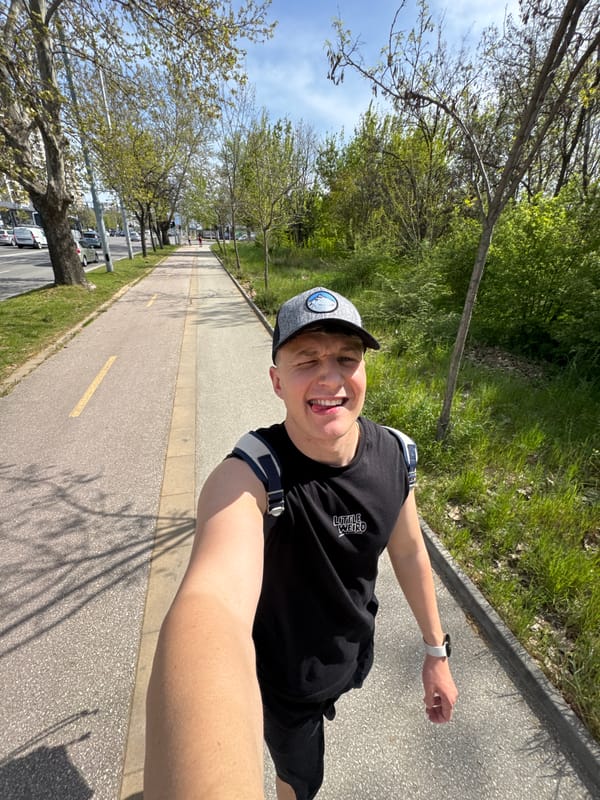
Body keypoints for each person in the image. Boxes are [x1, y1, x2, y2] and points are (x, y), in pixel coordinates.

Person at [144, 287, 458, 800]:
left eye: (345, 359)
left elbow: (408, 550)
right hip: (283, 686)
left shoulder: (397, 455)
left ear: (363, 372)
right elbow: (211, 606)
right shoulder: (251, 475)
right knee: (301, 780)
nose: (330, 376)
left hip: (351, 653)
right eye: (306, 360)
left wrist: (435, 652)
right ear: (276, 381)